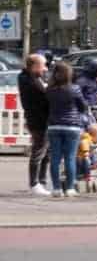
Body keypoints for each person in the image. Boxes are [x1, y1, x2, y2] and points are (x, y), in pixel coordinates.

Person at [45, 61, 89, 198]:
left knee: (55, 158)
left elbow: (46, 107)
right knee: (70, 158)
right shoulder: (74, 89)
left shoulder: (49, 90)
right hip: (72, 126)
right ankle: (70, 188)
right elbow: (83, 106)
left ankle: (56, 189)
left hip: (54, 126)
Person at [18, 53, 51, 195]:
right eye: (43, 66)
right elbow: (44, 96)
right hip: (38, 120)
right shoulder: (30, 81)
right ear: (35, 66)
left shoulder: (31, 77)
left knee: (45, 152)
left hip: (39, 119)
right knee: (39, 151)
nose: (45, 69)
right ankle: (34, 183)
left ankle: (41, 181)